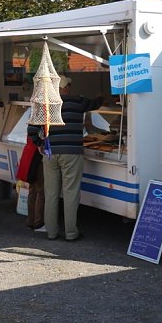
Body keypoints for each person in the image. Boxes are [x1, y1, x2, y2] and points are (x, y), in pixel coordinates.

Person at [38, 76, 102, 241]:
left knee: (51, 194)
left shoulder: (47, 105)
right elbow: (95, 104)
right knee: (70, 193)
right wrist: (103, 95)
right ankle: (71, 233)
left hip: (50, 152)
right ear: (66, 88)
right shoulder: (77, 101)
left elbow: (35, 128)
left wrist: (39, 142)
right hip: (71, 153)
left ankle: (51, 232)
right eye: (69, 86)